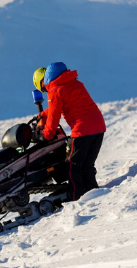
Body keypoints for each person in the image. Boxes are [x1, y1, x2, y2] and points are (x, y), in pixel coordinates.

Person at [33, 62, 106, 201]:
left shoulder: (55, 90)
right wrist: (43, 114)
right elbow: (62, 104)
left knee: (72, 165)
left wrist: (45, 136)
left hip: (82, 129)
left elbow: (54, 117)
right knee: (87, 164)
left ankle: (77, 197)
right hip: (99, 127)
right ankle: (93, 193)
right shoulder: (75, 83)